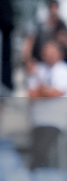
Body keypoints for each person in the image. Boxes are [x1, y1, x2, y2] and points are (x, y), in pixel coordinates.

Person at [28, 40, 67, 168]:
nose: (48, 55)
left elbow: (56, 92)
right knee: (36, 150)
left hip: (56, 119)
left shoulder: (63, 70)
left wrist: (42, 90)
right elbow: (32, 94)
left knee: (42, 151)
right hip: (38, 119)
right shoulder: (39, 70)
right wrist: (44, 91)